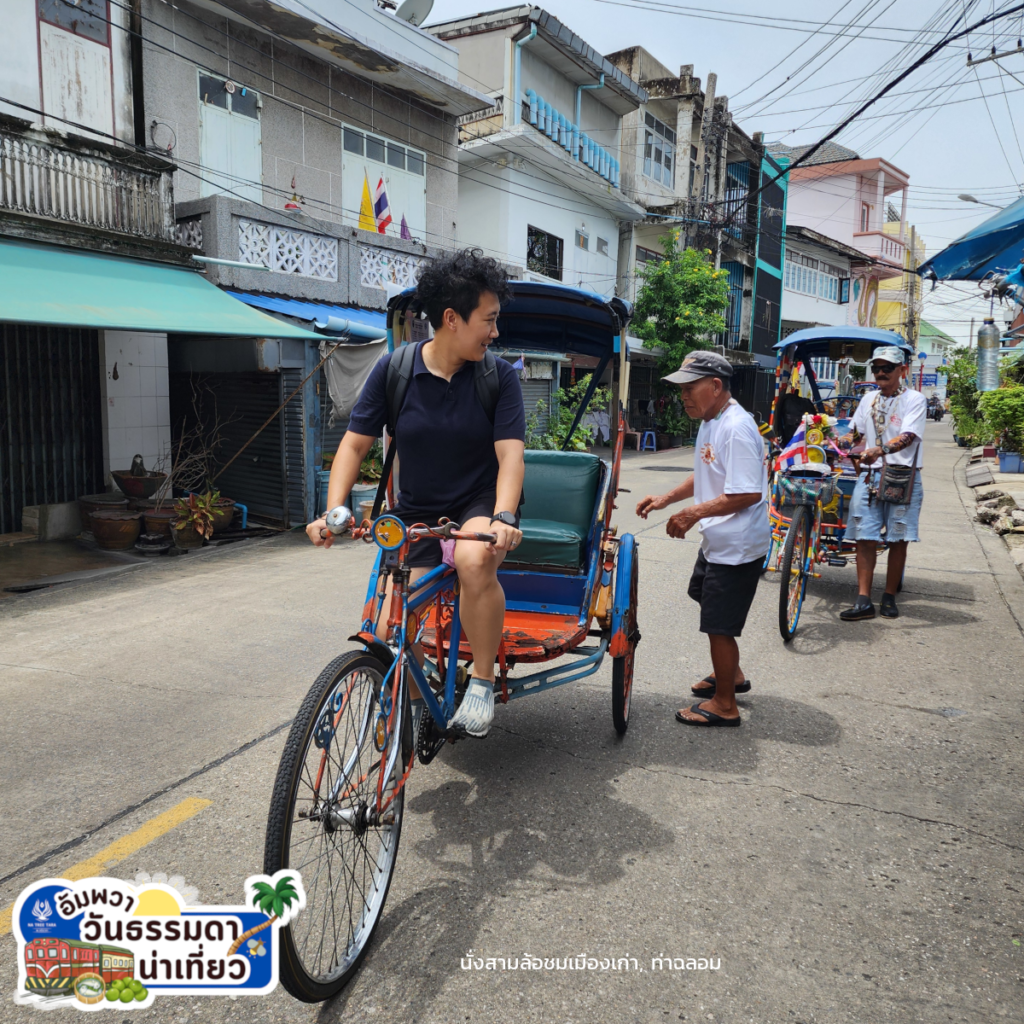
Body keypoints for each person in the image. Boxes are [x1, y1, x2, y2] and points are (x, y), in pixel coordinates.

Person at [305, 249, 526, 738]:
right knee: (387, 627)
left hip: (478, 503)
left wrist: (505, 516)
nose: (494, 332)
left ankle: (483, 682)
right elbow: (355, 444)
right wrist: (335, 510)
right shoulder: (395, 370)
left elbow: (511, 457)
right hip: (417, 507)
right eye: (488, 320)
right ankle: (417, 692)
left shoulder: (499, 377)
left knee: (472, 562)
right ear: (452, 319)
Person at [636, 351, 770, 727]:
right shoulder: (712, 421)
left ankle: (725, 704)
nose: (683, 397)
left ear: (714, 387)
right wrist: (667, 499)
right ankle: (734, 674)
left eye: (689, 388)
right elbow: (706, 471)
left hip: (737, 545)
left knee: (719, 624)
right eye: (680, 390)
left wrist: (692, 513)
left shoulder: (736, 428)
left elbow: (747, 493)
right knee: (701, 594)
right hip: (720, 539)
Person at [837, 345, 926, 622]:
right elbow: (856, 432)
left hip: (902, 476)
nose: (880, 373)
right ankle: (863, 600)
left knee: (898, 539)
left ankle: (888, 595)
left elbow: (908, 436)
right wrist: (844, 441)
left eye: (887, 368)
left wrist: (880, 449)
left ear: (902, 370)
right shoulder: (869, 399)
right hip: (869, 476)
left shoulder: (915, 400)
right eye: (876, 368)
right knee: (864, 537)